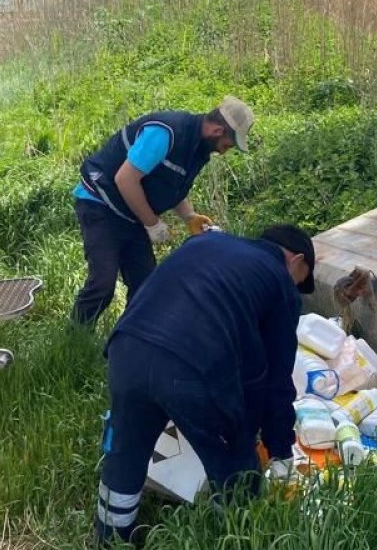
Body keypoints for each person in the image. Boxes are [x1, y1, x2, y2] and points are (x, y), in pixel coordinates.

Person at [94, 224, 316, 545]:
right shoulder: (280, 281)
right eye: (301, 279)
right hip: (191, 365)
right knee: (236, 466)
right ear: (295, 261)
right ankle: (235, 537)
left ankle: (111, 538)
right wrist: (280, 449)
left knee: (126, 449)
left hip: (126, 348)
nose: (295, 287)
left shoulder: (208, 242)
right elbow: (275, 380)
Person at [71, 96, 255, 325]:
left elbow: (169, 184)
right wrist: (152, 224)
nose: (224, 152)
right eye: (227, 145)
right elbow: (126, 179)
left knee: (146, 285)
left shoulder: (198, 150)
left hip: (130, 212)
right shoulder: (167, 133)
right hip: (100, 202)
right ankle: (75, 338)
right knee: (103, 284)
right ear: (217, 130)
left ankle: (129, 341)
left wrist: (189, 216)